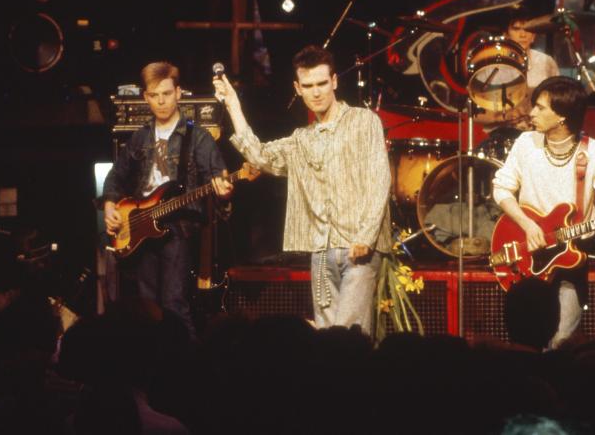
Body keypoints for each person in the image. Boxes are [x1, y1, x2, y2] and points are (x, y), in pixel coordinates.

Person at [213, 45, 392, 335]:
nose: (316, 92)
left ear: (334, 81)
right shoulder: (301, 139)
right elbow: (259, 155)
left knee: (347, 336)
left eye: (322, 83)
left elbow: (380, 179)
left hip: (359, 247)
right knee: (325, 336)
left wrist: (367, 235)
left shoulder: (364, 122)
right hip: (320, 249)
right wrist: (233, 105)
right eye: (308, 86)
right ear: (298, 88)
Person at [492, 76, 595, 349]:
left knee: (561, 342)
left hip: (570, 257)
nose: (532, 113)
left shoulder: (593, 150)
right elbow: (502, 190)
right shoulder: (525, 143)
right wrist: (528, 225)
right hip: (528, 252)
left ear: (562, 117)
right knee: (528, 342)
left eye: (540, 108)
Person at [103, 62, 233, 334]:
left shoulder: (197, 137)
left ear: (178, 92)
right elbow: (115, 176)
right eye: (154, 95)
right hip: (139, 227)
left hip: (178, 228)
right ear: (146, 97)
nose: (161, 101)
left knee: (174, 303)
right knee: (146, 307)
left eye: (166, 93)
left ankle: (186, 365)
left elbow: (218, 176)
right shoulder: (140, 137)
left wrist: (224, 190)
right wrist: (109, 205)